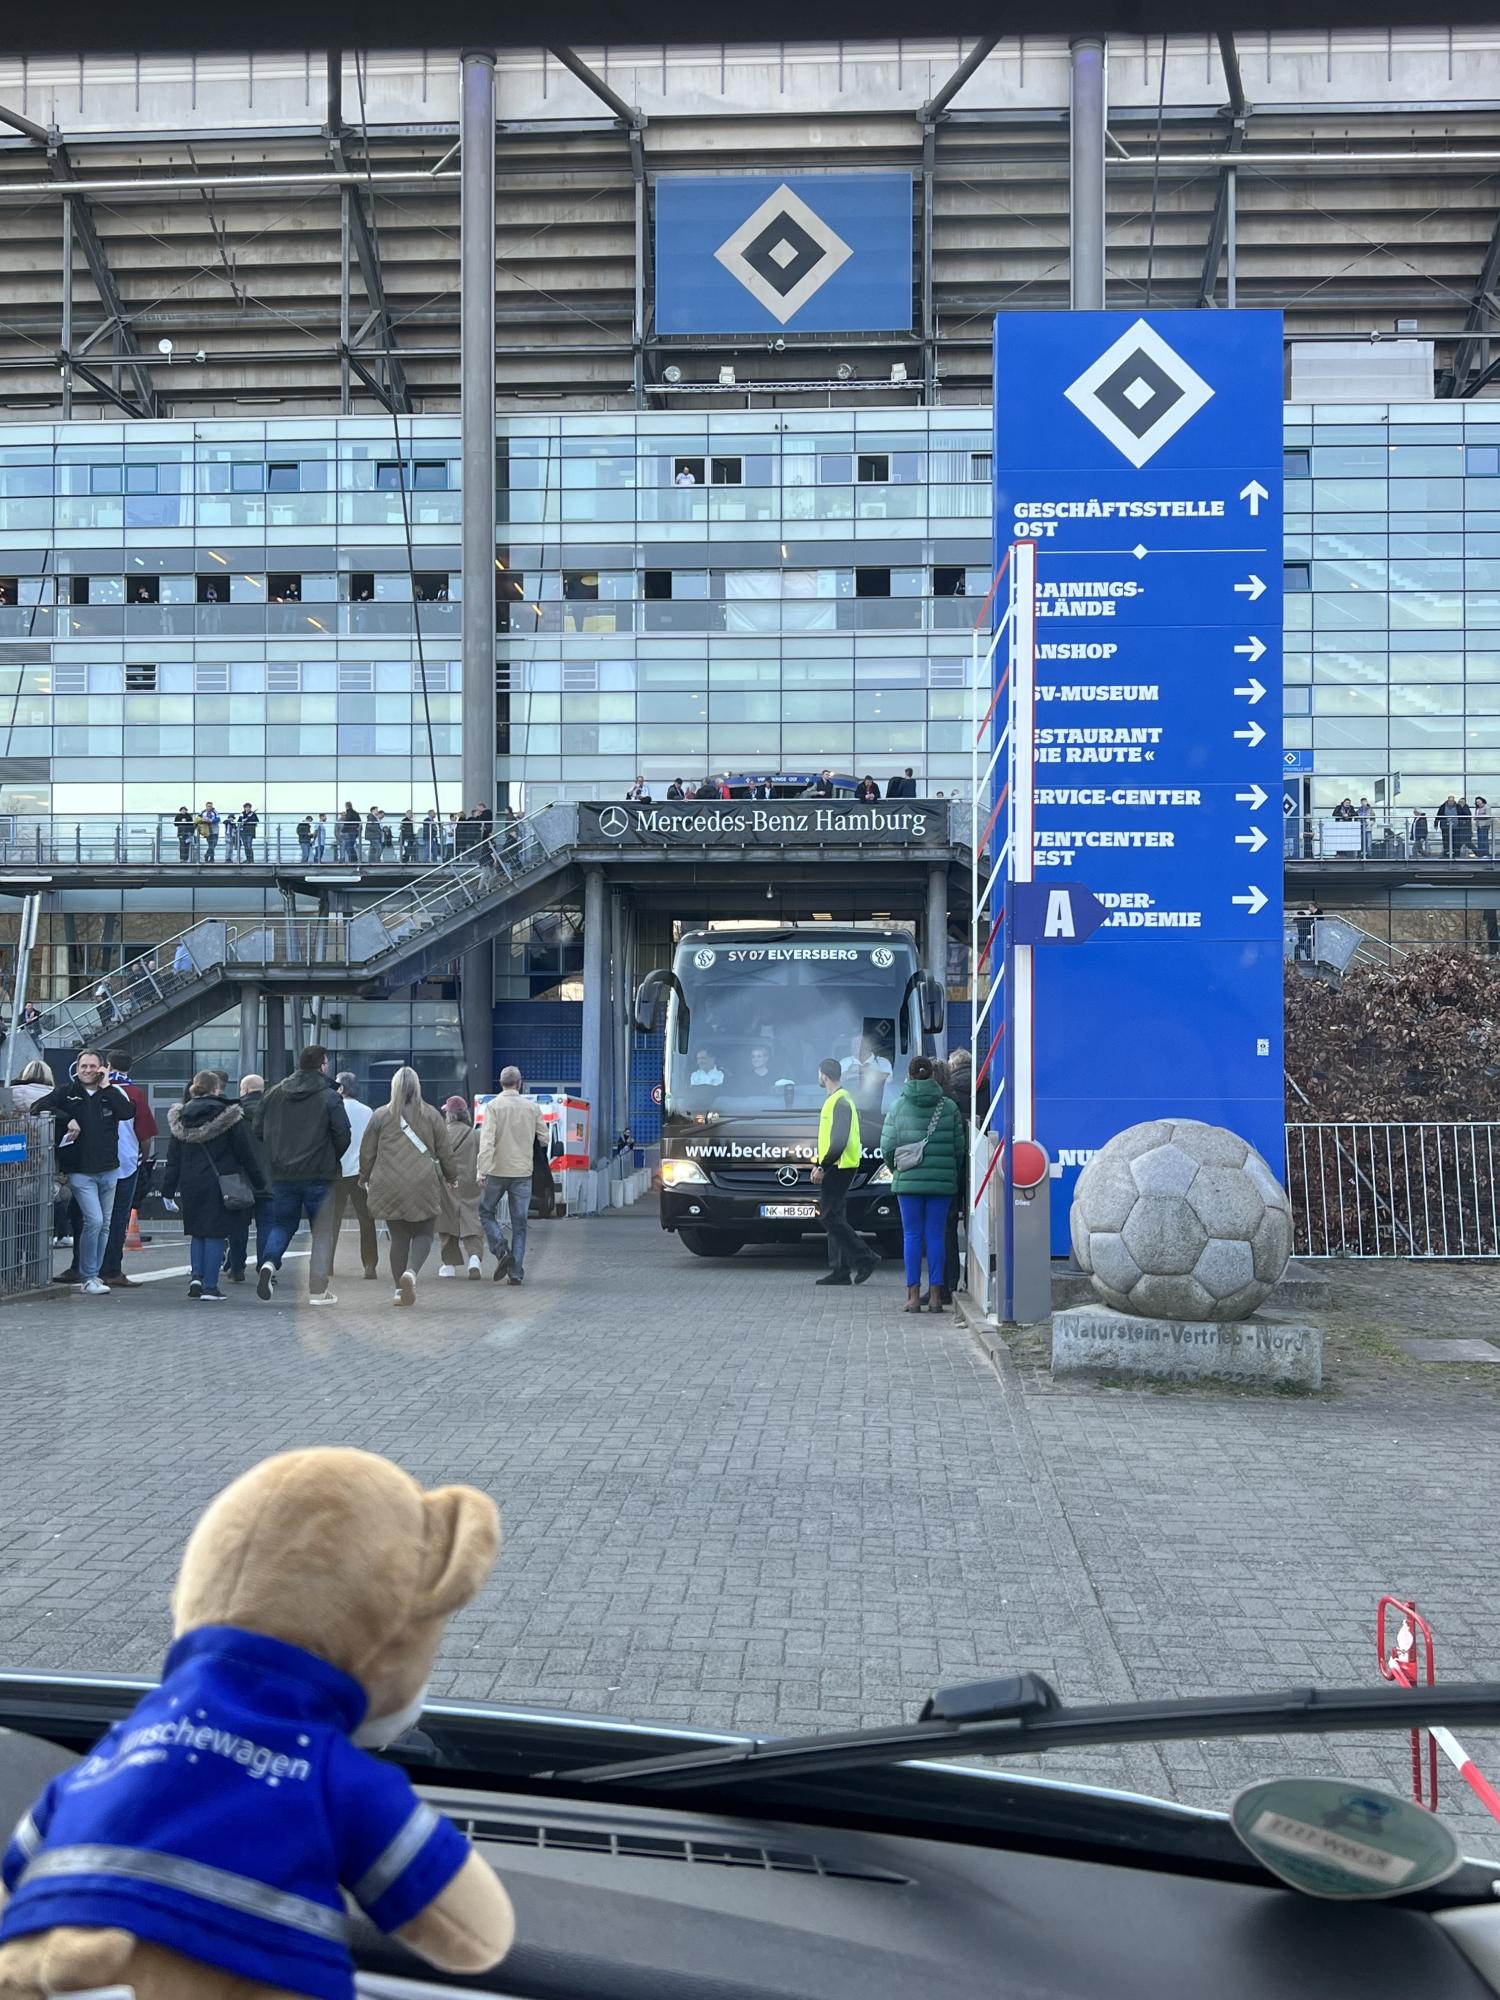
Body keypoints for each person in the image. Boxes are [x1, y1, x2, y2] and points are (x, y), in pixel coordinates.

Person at [27, 1049, 136, 1295]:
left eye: (92, 1066)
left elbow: (128, 1112)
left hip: (109, 1168)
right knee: (94, 1220)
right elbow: (37, 1107)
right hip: (80, 1170)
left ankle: (94, 1274)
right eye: (83, 1066)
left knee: (105, 1224)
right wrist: (66, 1118)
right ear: (77, 1069)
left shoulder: (112, 1092)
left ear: (102, 1068)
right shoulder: (67, 1092)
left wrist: (107, 1087)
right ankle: (87, 1276)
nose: (87, 1070)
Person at [160, 1070, 269, 1302]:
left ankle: (196, 1278)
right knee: (216, 1233)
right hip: (221, 1182)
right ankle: (210, 1286)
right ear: (216, 1089)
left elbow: (173, 1159)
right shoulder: (230, 1116)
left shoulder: (180, 1117)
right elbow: (245, 1152)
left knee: (197, 1232)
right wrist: (259, 1181)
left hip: (190, 1182)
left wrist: (167, 1191)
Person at [255, 1042, 350, 1305]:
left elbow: (258, 1129)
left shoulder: (274, 1093)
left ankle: (269, 1263)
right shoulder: (329, 1096)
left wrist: (278, 1153)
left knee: (282, 1224)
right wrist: (330, 1156)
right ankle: (318, 1291)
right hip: (320, 1174)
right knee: (322, 1232)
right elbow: (343, 1133)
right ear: (322, 1066)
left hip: (282, 1174)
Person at [357, 1066, 458, 1307]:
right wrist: (451, 1176)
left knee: (399, 1237)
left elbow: (367, 1151)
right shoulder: (431, 1115)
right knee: (424, 1233)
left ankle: (398, 1291)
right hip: (423, 1182)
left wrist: (364, 1177)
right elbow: (445, 1151)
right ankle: (411, 1273)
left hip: (388, 1183)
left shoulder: (380, 1115)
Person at [879, 1054, 965, 1314]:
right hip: (941, 1183)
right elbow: (959, 1148)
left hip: (908, 1183)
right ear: (933, 1075)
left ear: (909, 1075)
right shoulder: (948, 1107)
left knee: (912, 1236)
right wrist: (948, 1171)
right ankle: (936, 1297)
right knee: (936, 1235)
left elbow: (887, 1146)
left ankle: (913, 1296)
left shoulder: (898, 1106)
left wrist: (898, 1169)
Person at [811, 1057, 878, 1288]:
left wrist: (823, 1165)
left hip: (840, 1166)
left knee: (829, 1217)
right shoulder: (839, 1099)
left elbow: (838, 1140)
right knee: (835, 1217)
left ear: (824, 1075)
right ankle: (840, 1270)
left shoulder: (839, 1101)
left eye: (819, 1073)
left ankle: (865, 1258)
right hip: (839, 1164)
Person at [97, 1048, 158, 1290]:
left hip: (93, 1164)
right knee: (118, 1218)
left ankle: (85, 1267)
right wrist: (142, 1157)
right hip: (126, 1163)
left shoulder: (94, 1089)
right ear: (130, 1068)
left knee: (92, 1218)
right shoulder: (135, 1093)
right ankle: (111, 1269)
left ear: (108, 1065)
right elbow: (145, 1134)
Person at [477, 1064, 543, 1285]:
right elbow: (544, 1138)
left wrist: (482, 1171)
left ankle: (500, 1249)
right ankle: (515, 1273)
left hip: (497, 1171)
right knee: (520, 1224)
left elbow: (487, 1142)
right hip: (523, 1172)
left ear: (501, 1083)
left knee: (486, 1211)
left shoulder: (493, 1107)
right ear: (519, 1083)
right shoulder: (532, 1108)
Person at [223, 1072, 272, 1283]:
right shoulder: (275, 1112)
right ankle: (265, 1266)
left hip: (240, 1179)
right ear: (263, 1090)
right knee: (267, 1226)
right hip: (270, 1177)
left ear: (244, 1090)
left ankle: (237, 1268)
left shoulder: (233, 1114)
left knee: (238, 1227)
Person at [329, 1070, 378, 1281]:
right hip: (361, 1173)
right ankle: (369, 1264)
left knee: (332, 1221)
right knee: (366, 1221)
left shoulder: (332, 1108)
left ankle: (327, 1264)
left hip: (336, 1172)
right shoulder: (367, 1112)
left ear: (340, 1088)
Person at [937, 1050, 972, 1307]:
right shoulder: (987, 1086)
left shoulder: (947, 1098)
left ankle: (948, 1284)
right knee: (976, 1227)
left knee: (946, 1229)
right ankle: (972, 1279)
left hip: (949, 1171)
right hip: (977, 1166)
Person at [437, 1096, 484, 1278]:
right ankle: (475, 1259)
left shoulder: (441, 1134)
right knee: (471, 1219)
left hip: (447, 1183)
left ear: (449, 1115)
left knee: (447, 1222)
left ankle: (449, 1265)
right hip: (470, 1183)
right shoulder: (475, 1135)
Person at [1435, 793, 1459, 858]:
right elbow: (1438, 815)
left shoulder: (1458, 806)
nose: (1451, 802)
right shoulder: (1443, 807)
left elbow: (1462, 814)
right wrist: (1436, 824)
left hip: (1455, 826)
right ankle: (1446, 853)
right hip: (1445, 826)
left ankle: (1454, 853)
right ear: (1447, 801)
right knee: (1446, 840)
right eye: (1450, 801)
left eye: (1452, 801)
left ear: (1454, 801)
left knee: (1454, 840)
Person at [1476, 796, 1493, 860]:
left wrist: (1479, 816)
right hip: (1479, 825)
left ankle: (1485, 854)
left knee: (1484, 840)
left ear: (1482, 801)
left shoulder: (1487, 807)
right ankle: (1480, 854)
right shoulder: (1477, 808)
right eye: (1477, 802)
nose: (1478, 803)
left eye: (1479, 801)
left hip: (1484, 825)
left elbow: (1488, 815)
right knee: (1480, 840)